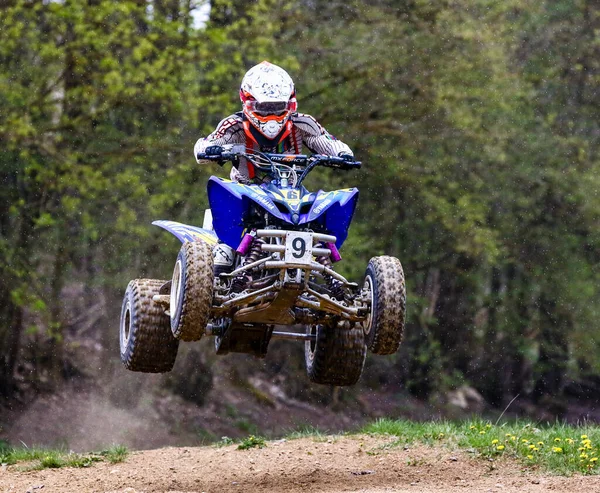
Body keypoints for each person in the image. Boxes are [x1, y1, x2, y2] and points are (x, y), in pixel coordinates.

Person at [194, 61, 354, 183]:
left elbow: (325, 140)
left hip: (291, 194)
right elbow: (205, 145)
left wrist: (343, 154)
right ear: (247, 101)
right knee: (220, 191)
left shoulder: (303, 123)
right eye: (264, 107)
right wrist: (210, 150)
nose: (271, 114)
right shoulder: (234, 125)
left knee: (328, 209)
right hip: (243, 191)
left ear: (290, 103)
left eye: (278, 107)